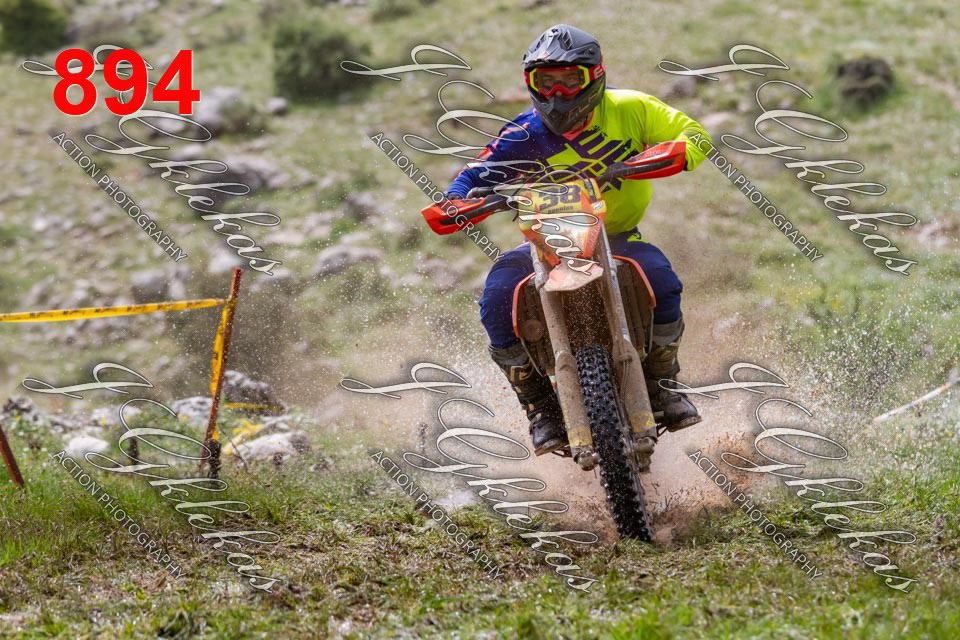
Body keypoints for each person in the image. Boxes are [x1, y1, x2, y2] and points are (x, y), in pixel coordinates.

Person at [445, 24, 712, 455]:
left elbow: (695, 135)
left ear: (595, 76)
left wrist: (657, 158)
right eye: (545, 82)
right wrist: (455, 202)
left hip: (617, 237)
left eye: (571, 80)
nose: (558, 93)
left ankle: (662, 383)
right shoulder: (523, 133)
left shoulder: (632, 109)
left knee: (662, 281)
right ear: (530, 84)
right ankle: (538, 405)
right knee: (497, 296)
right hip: (545, 246)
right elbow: (472, 175)